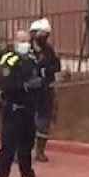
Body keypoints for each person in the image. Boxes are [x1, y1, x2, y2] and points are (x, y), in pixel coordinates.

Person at [0, 29, 46, 177]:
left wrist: (39, 84)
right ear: (15, 42)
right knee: (8, 148)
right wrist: (24, 85)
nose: (24, 44)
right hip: (12, 109)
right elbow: (6, 84)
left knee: (26, 148)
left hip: (28, 111)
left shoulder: (31, 59)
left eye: (26, 41)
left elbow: (39, 78)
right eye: (21, 41)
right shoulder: (8, 59)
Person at [29, 17, 61, 163]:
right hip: (28, 91)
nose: (44, 38)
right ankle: (21, 150)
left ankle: (40, 151)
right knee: (25, 121)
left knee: (44, 121)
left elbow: (56, 66)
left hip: (45, 90)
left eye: (46, 35)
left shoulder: (49, 50)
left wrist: (46, 71)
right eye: (41, 34)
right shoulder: (27, 50)